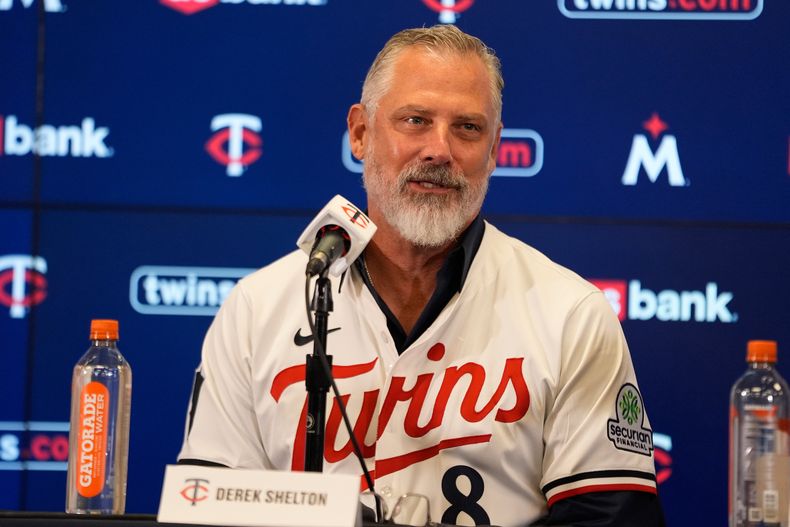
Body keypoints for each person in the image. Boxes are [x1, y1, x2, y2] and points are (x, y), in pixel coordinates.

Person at [178, 25, 666, 526]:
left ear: (495, 148)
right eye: (415, 120)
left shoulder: (571, 314)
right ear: (361, 132)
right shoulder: (258, 308)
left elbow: (611, 518)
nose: (439, 150)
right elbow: (210, 506)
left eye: (467, 128)